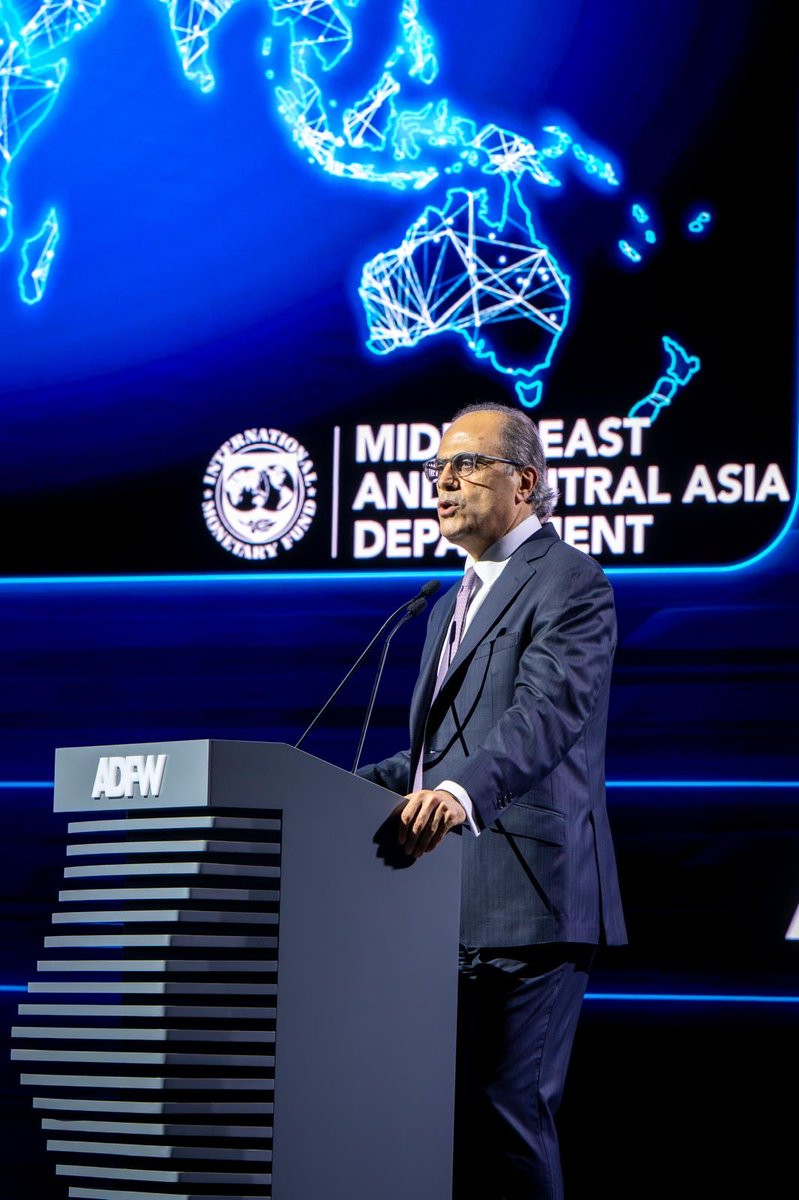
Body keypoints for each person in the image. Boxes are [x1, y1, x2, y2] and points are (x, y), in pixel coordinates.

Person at [359, 401, 626, 1200]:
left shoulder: (570, 580)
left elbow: (544, 715)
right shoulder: (446, 603)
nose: (443, 482)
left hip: (532, 899)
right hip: (445, 901)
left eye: (466, 464)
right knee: (440, 1126)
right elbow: (436, 755)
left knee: (505, 1117)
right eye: (436, 468)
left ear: (524, 482)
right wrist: (334, 788)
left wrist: (454, 792)